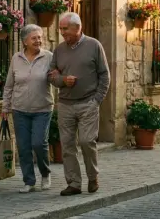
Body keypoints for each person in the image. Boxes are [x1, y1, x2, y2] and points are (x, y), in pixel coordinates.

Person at [48, 12, 110, 196]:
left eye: (65, 28)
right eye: (60, 29)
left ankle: (93, 177)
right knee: (67, 145)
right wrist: (62, 80)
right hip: (66, 104)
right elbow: (51, 74)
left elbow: (105, 75)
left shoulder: (94, 45)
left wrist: (97, 100)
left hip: (88, 103)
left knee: (86, 141)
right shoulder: (59, 50)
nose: (62, 32)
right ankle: (74, 183)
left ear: (77, 27)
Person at [1, 24, 54, 193]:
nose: (39, 40)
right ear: (25, 41)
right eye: (34, 38)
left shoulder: (49, 57)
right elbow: (9, 85)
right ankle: (29, 181)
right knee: (23, 147)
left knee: (39, 143)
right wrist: (5, 107)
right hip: (20, 109)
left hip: (43, 109)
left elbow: (57, 79)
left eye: (40, 37)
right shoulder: (16, 58)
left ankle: (45, 174)